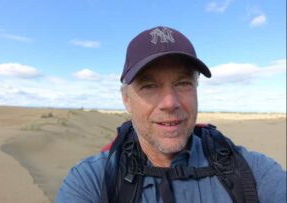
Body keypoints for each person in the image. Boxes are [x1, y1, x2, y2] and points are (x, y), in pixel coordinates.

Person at [55, 26, 286, 203]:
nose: (170, 102)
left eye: (183, 83)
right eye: (149, 86)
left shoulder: (251, 172)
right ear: (126, 99)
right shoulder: (91, 181)